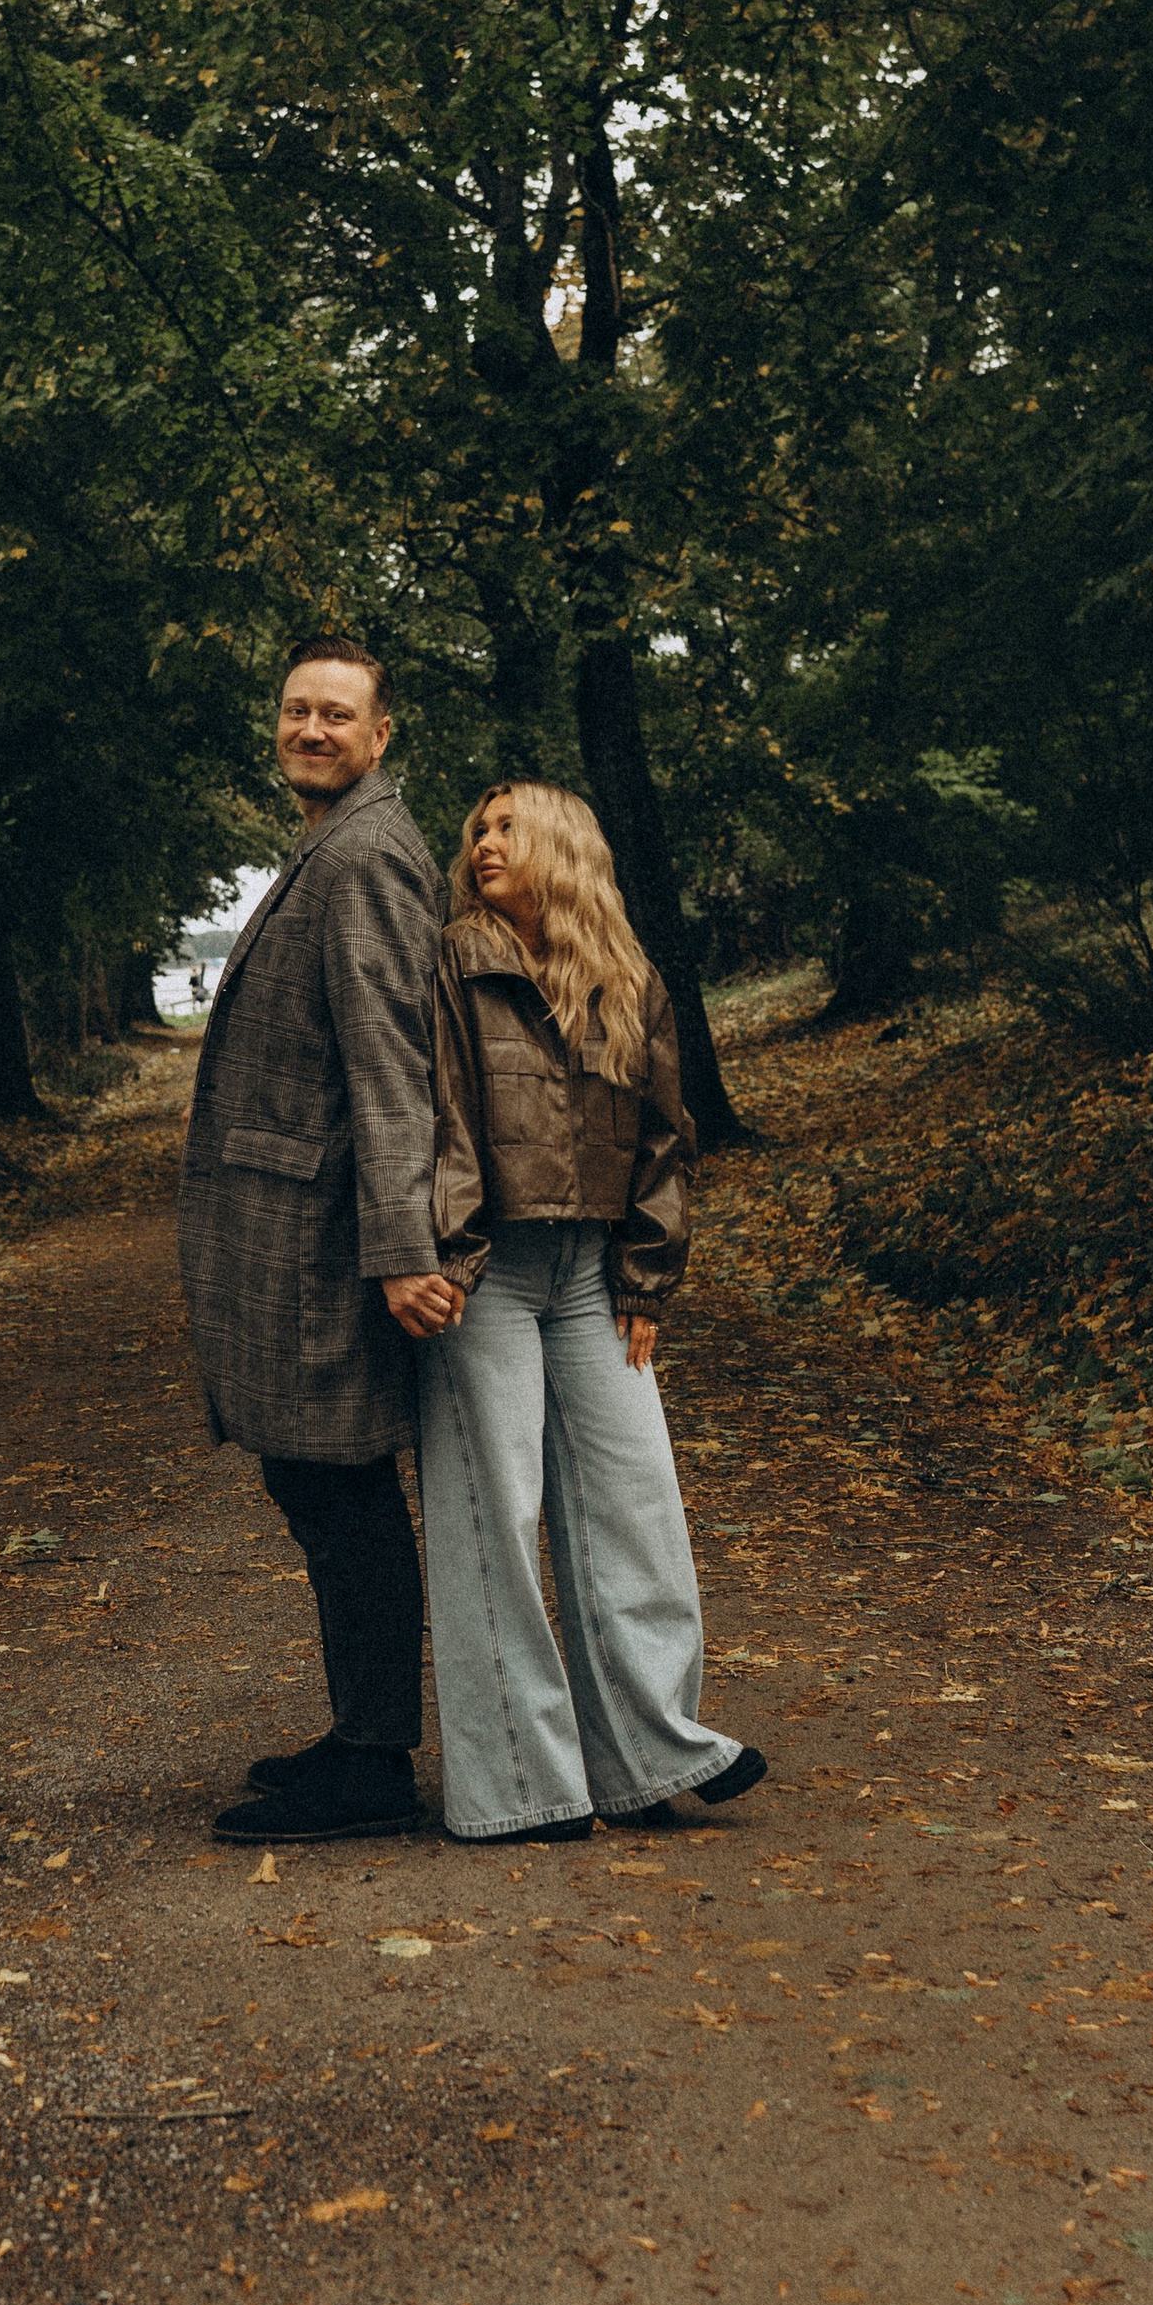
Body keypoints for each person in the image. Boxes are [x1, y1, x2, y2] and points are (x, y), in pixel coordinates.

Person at [417, 780, 766, 1844]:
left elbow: (665, 1136)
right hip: (484, 1273)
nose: (485, 842)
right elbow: (437, 1115)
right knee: (494, 1517)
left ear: (565, 845)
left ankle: (653, 1752)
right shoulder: (448, 963)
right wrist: (445, 1252)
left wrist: (647, 1274)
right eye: (477, 828)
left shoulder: (627, 979)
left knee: (635, 1505)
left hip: (588, 1277)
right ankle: (522, 1785)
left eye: (508, 827)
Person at [176, 635, 462, 1844]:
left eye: (338, 715)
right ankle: (359, 1733)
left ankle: (376, 1763)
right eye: (297, 710)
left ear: (381, 734)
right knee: (316, 1483)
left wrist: (405, 1246)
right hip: (300, 1227)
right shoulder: (332, 845)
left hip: (328, 1237)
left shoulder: (365, 859)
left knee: (338, 1487)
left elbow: (391, 1065)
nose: (312, 730)